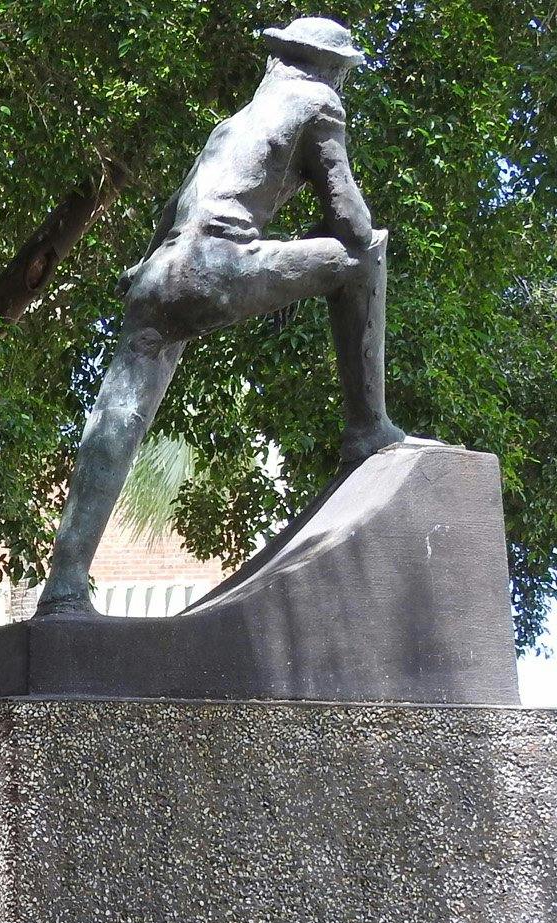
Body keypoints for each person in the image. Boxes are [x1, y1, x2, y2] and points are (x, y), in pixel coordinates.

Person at [36, 16, 404, 613]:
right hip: (218, 267)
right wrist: (318, 246)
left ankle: (64, 586)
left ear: (276, 60)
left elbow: (176, 207)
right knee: (367, 257)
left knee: (117, 418)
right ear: (332, 69)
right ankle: (367, 429)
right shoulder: (319, 103)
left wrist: (147, 264)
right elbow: (353, 224)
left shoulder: (233, 124)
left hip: (157, 275)